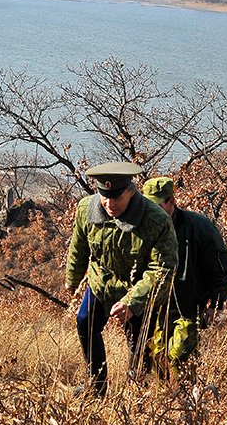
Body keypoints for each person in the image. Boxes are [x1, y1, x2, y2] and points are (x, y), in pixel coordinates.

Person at [65, 162, 177, 391]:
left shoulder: (156, 220)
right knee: (85, 322)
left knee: (139, 344)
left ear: (131, 192)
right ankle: (95, 386)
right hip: (101, 282)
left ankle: (137, 391)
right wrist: (72, 279)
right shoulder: (86, 209)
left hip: (138, 289)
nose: (110, 204)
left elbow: (163, 269)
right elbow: (79, 247)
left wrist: (133, 303)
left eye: (117, 197)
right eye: (105, 197)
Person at [141, 176, 227, 370]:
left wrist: (215, 304)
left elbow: (220, 267)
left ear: (171, 201)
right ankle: (166, 389)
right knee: (157, 359)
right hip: (155, 309)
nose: (152, 212)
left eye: (157, 206)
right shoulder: (141, 227)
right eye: (148, 207)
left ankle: (184, 389)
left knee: (179, 357)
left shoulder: (199, 227)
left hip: (188, 308)